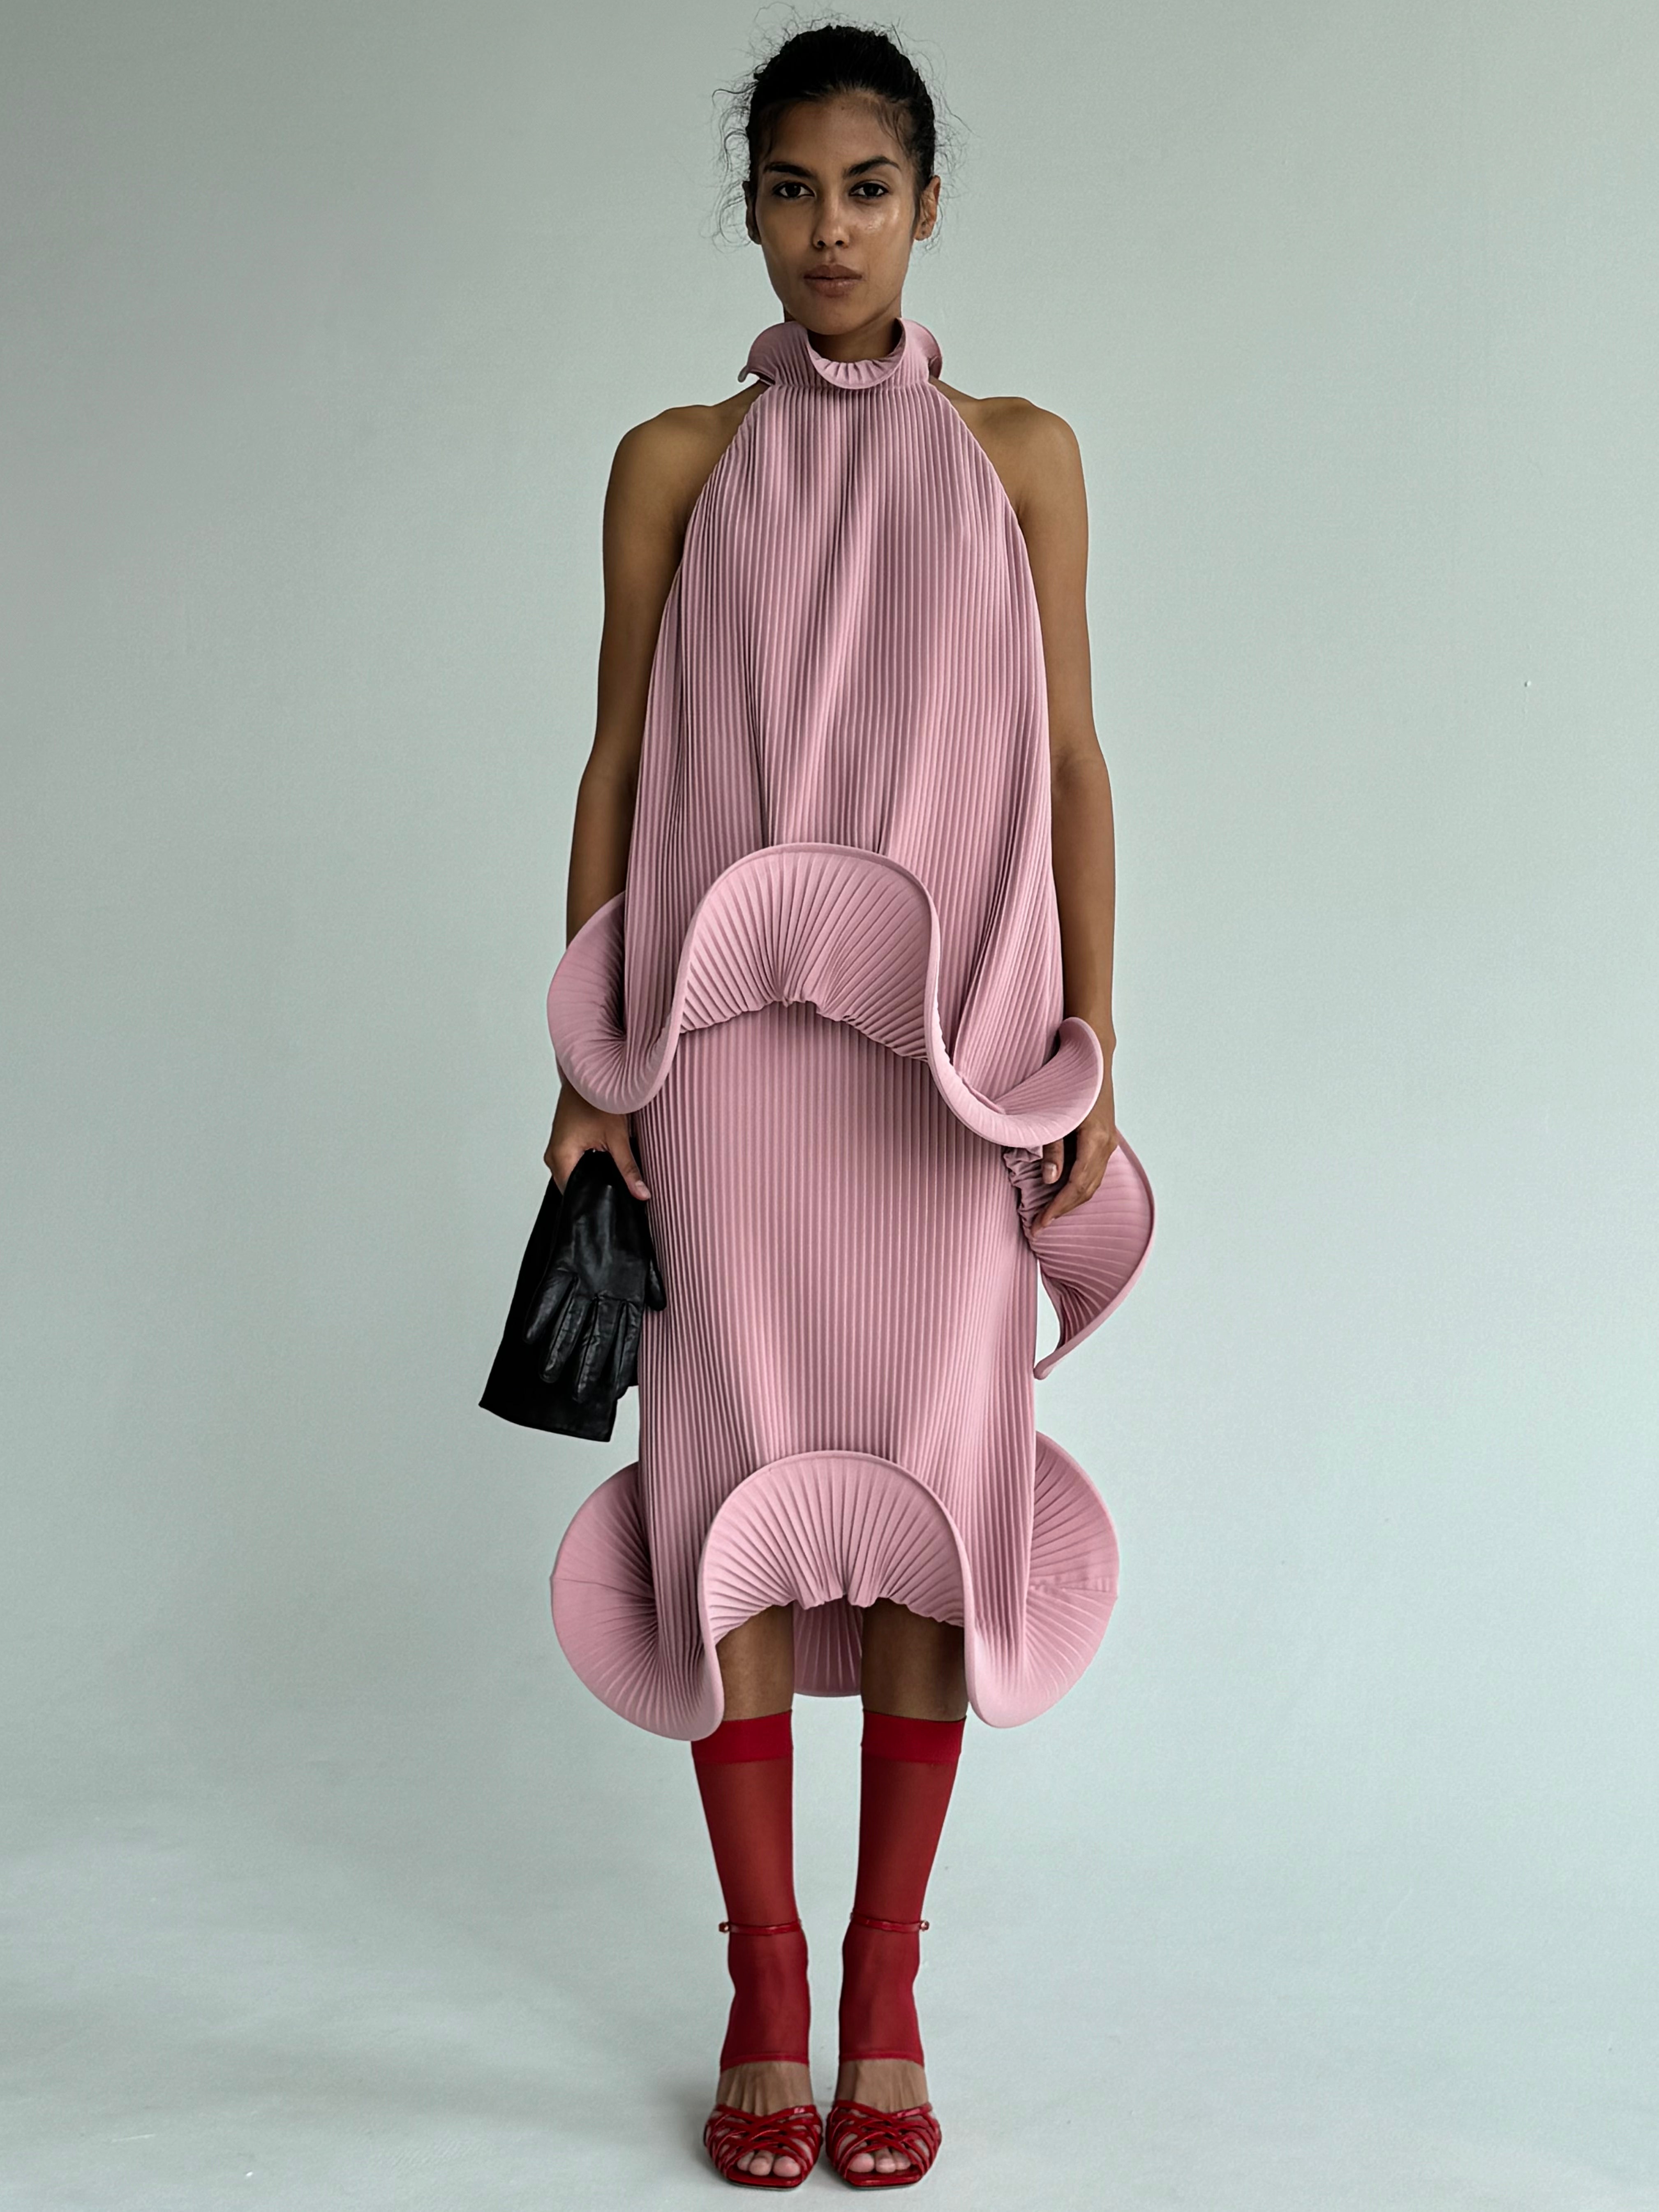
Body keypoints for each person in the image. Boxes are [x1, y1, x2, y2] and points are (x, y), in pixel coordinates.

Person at [540, 23, 1154, 2190]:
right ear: (749, 210)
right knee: (719, 1494)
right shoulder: (671, 461)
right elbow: (617, 760)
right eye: (790, 189)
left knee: (924, 1495)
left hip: (944, 1078)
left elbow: (1068, 761)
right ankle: (766, 1980)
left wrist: (1091, 1040)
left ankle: (884, 1986)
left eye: (865, 188)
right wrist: (585, 1067)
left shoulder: (1023, 455)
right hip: (723, 1069)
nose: (828, 229)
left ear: (925, 205)